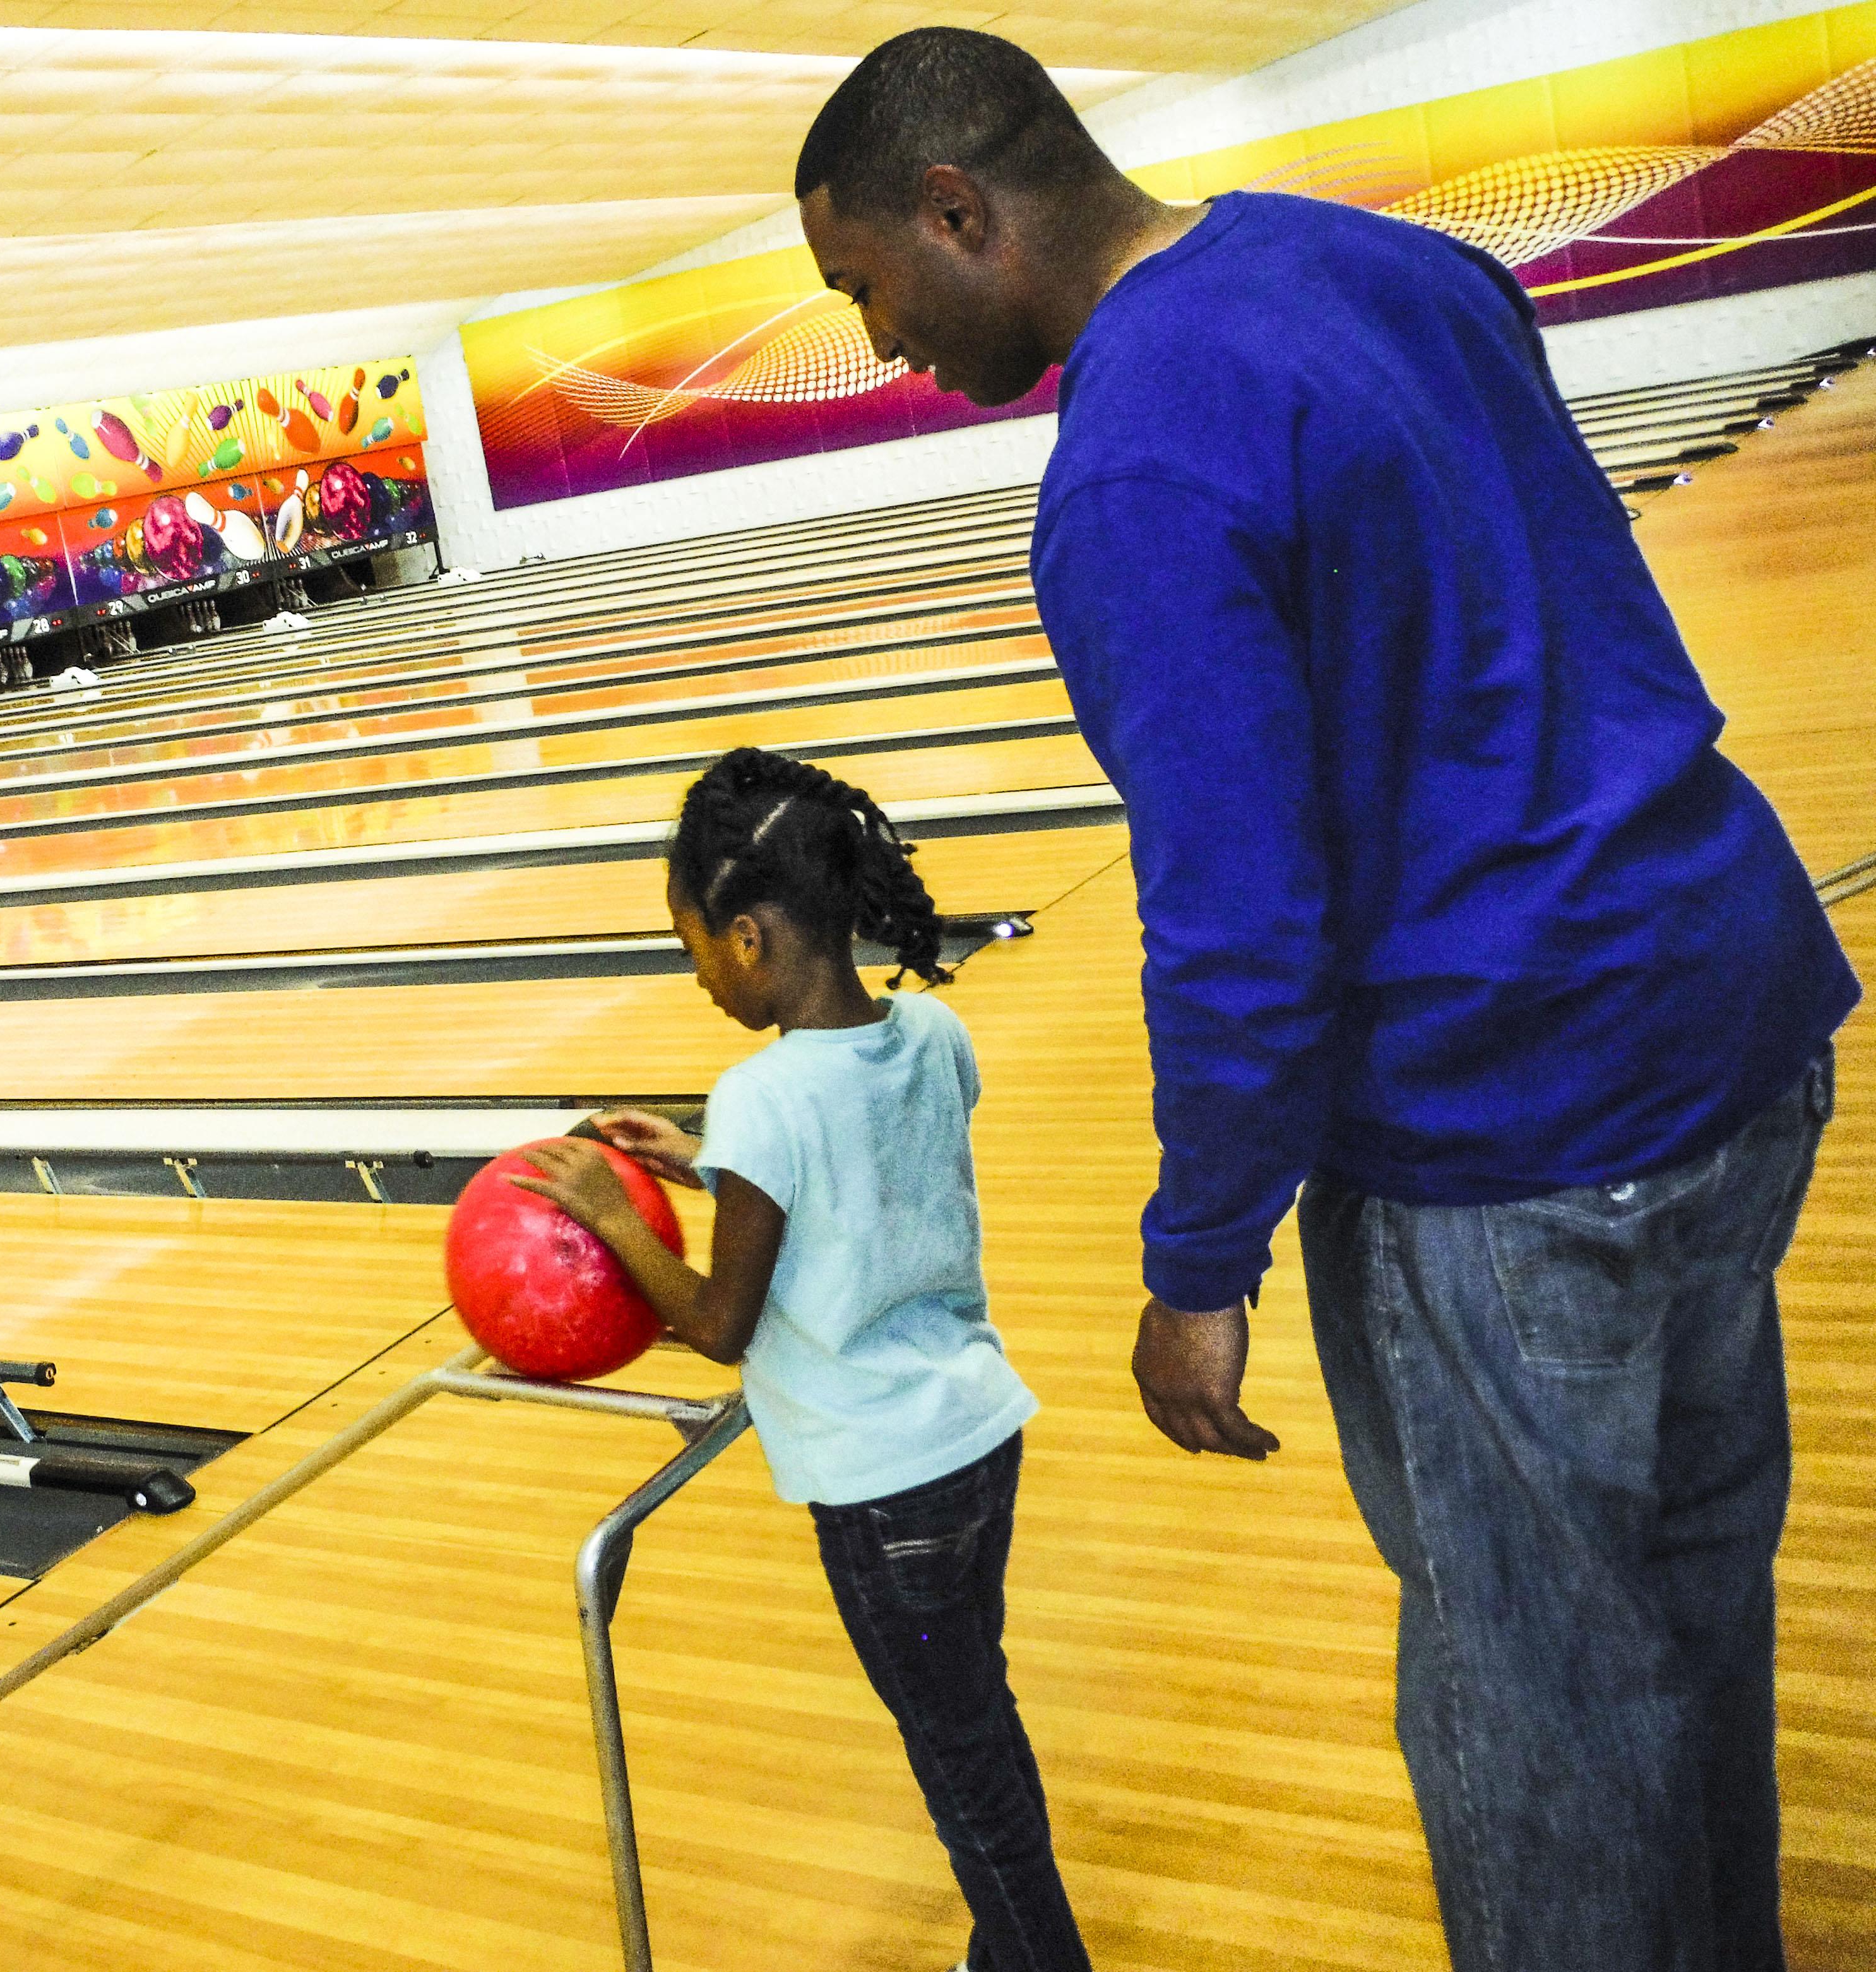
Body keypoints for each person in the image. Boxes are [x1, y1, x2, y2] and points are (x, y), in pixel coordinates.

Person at [790, 29, 1857, 1972]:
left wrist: (1201, 1262)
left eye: (864, 287)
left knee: (1539, 1713)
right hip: (1730, 1017)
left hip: (1514, 1128)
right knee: (1687, 1616)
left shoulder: (1124, 468)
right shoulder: (1377, 263)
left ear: (958, 212)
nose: (875, 343)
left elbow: (1236, 915)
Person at [512, 746, 1090, 1972]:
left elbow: (722, 1320)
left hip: (883, 1494)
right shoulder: (935, 1031)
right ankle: (1008, 1948)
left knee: (961, 1766)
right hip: (979, 1441)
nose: (703, 978)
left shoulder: (764, 1095)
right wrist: (709, 1157)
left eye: (695, 950)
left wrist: (618, 1219)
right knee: (975, 1724)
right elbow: (862, 1174)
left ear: (752, 937)